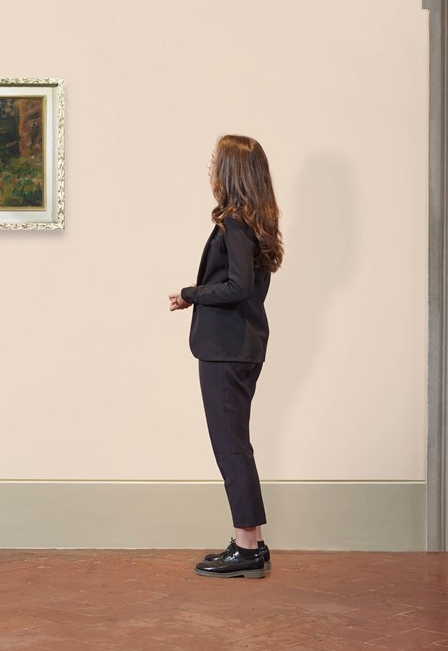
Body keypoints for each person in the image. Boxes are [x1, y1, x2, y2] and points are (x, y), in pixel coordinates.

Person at [168, 135, 283, 579]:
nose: (209, 164)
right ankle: (251, 543)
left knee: (230, 447)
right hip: (243, 346)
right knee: (237, 445)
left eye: (215, 158)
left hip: (225, 350)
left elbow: (238, 286)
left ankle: (247, 547)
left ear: (231, 170)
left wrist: (190, 293)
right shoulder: (256, 221)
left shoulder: (235, 222)